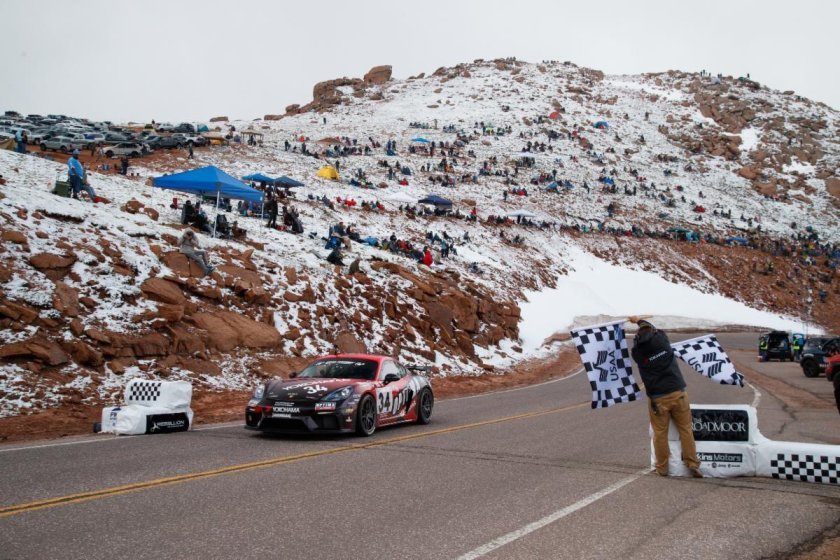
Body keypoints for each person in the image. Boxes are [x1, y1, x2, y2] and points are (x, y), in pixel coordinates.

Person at [628, 316, 703, 478]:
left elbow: (635, 347)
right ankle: (692, 462)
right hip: (677, 391)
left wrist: (637, 336)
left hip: (657, 398)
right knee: (686, 429)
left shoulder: (638, 352)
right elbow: (657, 330)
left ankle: (662, 467)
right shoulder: (662, 341)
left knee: (660, 433)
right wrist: (640, 320)